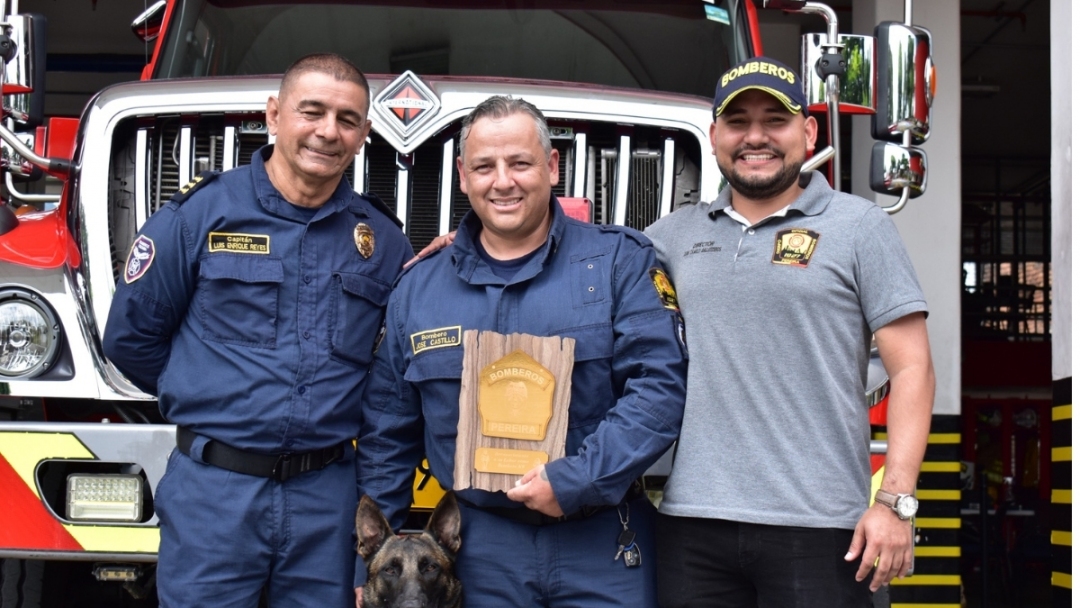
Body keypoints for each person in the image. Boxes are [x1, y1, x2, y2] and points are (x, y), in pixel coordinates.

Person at [102, 53, 412, 607]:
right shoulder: (200, 216)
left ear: (364, 134)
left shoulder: (383, 242)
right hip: (216, 493)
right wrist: (213, 396)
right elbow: (131, 339)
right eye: (310, 112)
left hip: (328, 500)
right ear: (273, 114)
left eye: (346, 119)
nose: (327, 132)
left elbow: (390, 383)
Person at [357, 95, 687, 607]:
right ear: (463, 175)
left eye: (520, 163)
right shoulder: (418, 289)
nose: (503, 181)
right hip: (478, 548)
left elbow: (660, 390)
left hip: (600, 537)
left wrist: (576, 479)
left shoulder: (619, 262)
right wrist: (371, 563)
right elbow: (386, 430)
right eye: (485, 166)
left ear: (552, 167)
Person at [643, 56, 936, 607]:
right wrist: (446, 252)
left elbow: (913, 367)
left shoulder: (860, 227)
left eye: (774, 120)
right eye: (738, 122)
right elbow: (573, 271)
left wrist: (896, 502)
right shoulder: (670, 238)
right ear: (713, 137)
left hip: (823, 530)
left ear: (808, 132)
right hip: (690, 525)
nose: (756, 137)